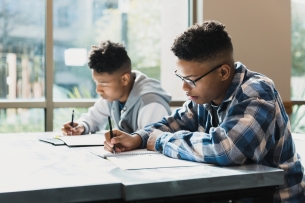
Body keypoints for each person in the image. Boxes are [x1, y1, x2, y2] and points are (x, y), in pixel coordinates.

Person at [103, 20, 305, 202]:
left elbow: (226, 148)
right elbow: (172, 123)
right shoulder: (204, 97)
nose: (184, 88)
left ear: (223, 72)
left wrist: (161, 141)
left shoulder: (257, 92)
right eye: (181, 78)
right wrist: (137, 138)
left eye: (191, 80)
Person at [61, 40, 172, 135]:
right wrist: (80, 126)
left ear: (124, 79)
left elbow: (151, 143)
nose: (98, 90)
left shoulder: (151, 103)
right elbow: (93, 118)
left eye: (104, 84)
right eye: (96, 83)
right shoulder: (114, 95)